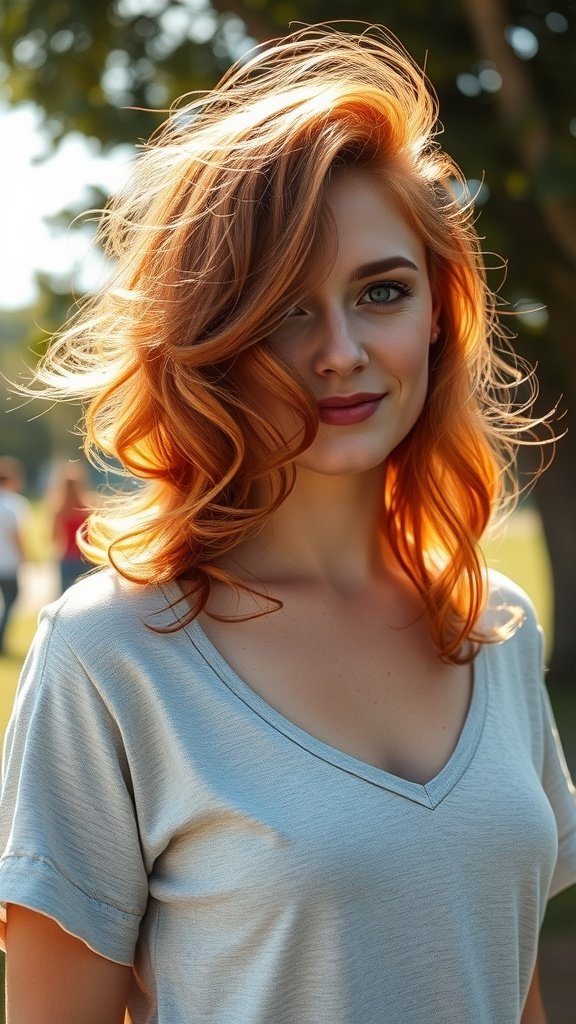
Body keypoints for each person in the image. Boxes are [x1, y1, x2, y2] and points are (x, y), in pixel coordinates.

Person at [0, 23, 574, 1024]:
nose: (343, 350)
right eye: (283, 310)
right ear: (210, 337)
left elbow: (505, 981)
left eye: (381, 292)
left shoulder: (499, 628)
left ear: (439, 311)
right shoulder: (109, 655)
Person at [46, 462, 95, 593]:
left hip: (67, 556)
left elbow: (53, 537)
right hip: (85, 556)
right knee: (87, 595)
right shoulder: (88, 507)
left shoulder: (58, 510)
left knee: (65, 595)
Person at [0, 457, 30, 655]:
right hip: (8, 562)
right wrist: (25, 557)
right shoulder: (15, 504)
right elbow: (17, 536)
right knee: (12, 598)